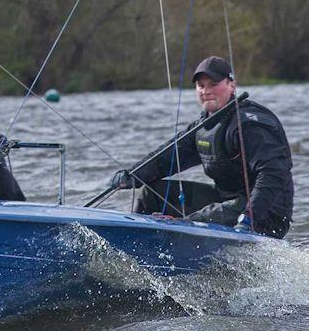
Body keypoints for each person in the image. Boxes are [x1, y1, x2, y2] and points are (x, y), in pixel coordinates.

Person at [110, 56, 293, 238]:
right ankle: (135, 242)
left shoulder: (252, 124)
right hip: (225, 200)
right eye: (201, 85)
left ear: (232, 85)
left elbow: (274, 174)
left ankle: (176, 239)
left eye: (213, 84)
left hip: (265, 214)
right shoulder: (203, 126)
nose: (206, 91)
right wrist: (132, 175)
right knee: (151, 194)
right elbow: (167, 159)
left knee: (194, 220)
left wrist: (249, 217)